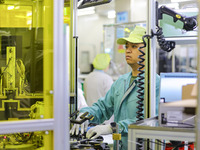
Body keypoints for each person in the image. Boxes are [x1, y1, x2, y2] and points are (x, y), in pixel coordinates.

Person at [70, 26, 160, 150]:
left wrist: (111, 127)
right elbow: (103, 107)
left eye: (134, 46)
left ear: (148, 49)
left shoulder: (155, 83)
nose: (128, 50)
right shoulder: (121, 81)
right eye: (127, 46)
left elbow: (149, 120)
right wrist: (86, 114)